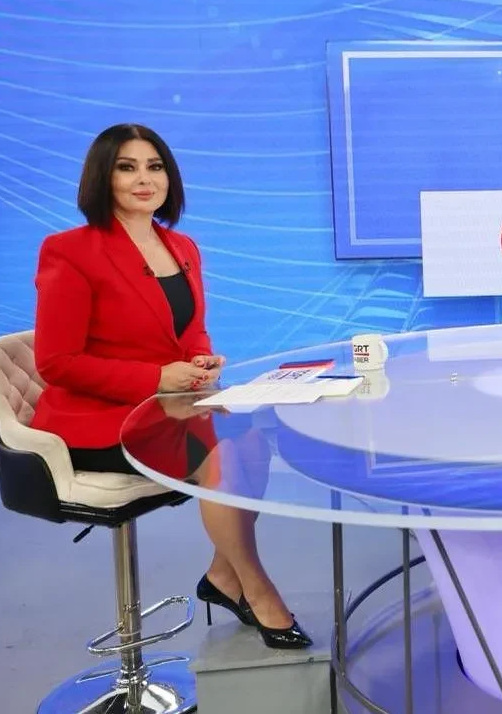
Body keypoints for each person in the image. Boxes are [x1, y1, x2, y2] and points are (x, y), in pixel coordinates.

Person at [30, 123, 311, 648]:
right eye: (127, 167)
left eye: (154, 167)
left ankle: (222, 576)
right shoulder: (69, 251)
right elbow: (56, 362)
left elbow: (190, 329)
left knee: (250, 436)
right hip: (99, 420)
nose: (145, 179)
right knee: (218, 449)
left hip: (169, 407)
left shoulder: (181, 246)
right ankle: (258, 588)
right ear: (102, 177)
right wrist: (156, 378)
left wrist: (201, 361)